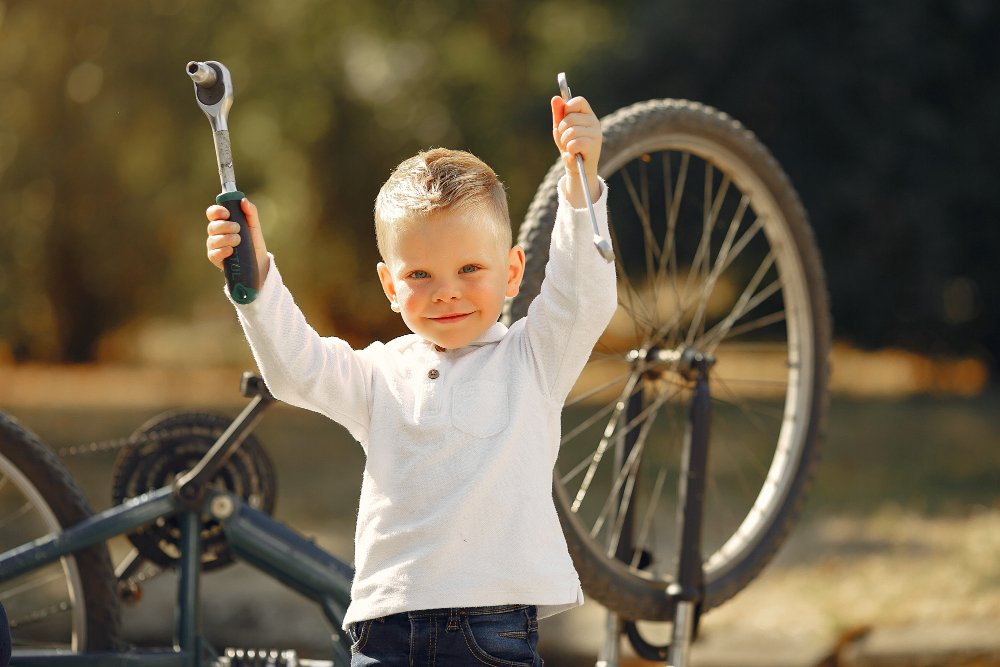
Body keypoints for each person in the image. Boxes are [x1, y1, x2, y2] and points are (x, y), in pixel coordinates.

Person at [205, 92, 616, 666]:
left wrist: (581, 182)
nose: (446, 290)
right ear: (390, 286)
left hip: (491, 630)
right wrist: (253, 278)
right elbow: (296, 370)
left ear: (513, 272)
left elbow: (583, 295)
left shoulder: (533, 358)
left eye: (470, 268)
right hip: (383, 631)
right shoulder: (380, 374)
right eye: (419, 274)